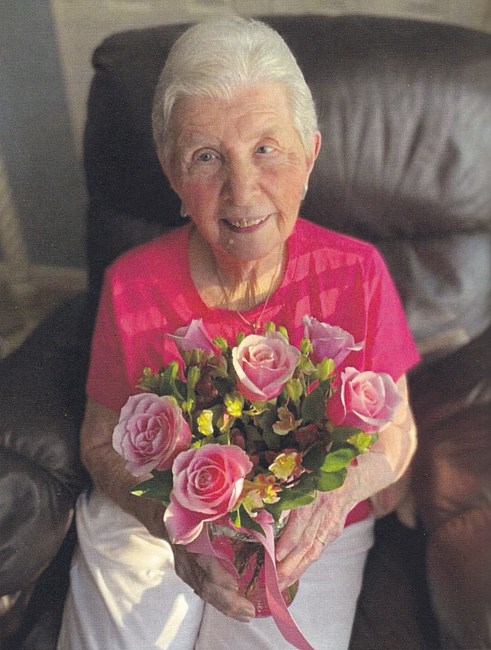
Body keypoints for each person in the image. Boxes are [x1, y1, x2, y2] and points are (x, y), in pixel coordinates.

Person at [58, 17, 420, 650]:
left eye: (266, 149)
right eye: (206, 157)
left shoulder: (355, 273)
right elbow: (99, 438)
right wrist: (171, 523)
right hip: (152, 520)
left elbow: (397, 434)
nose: (242, 191)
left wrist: (334, 498)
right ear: (172, 175)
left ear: (309, 155)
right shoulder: (132, 285)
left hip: (309, 525)